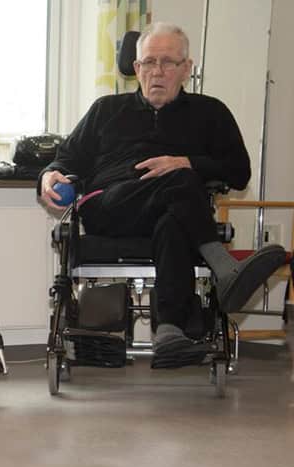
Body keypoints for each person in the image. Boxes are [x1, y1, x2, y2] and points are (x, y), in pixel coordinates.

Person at [39, 22, 286, 361]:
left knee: (174, 218)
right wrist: (49, 175)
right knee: (183, 180)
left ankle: (169, 331)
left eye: (168, 62)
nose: (157, 71)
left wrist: (186, 160)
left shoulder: (210, 112)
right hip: (112, 206)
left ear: (186, 68)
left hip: (176, 213)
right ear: (136, 68)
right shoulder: (106, 109)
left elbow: (239, 172)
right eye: (149, 62)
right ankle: (223, 266)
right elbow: (65, 160)